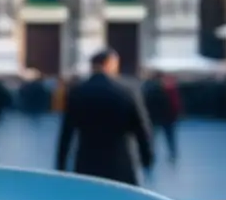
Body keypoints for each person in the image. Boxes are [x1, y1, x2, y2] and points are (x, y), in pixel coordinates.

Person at [56, 49, 154, 186]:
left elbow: (66, 132)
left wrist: (61, 165)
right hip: (121, 161)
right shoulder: (127, 90)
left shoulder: (78, 91)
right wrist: (147, 159)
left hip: (87, 162)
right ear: (110, 64)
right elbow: (142, 128)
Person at [142, 71, 180, 163]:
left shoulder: (148, 89)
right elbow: (175, 103)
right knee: (168, 137)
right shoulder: (168, 89)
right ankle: (172, 154)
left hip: (157, 117)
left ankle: (152, 154)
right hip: (166, 117)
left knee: (153, 137)